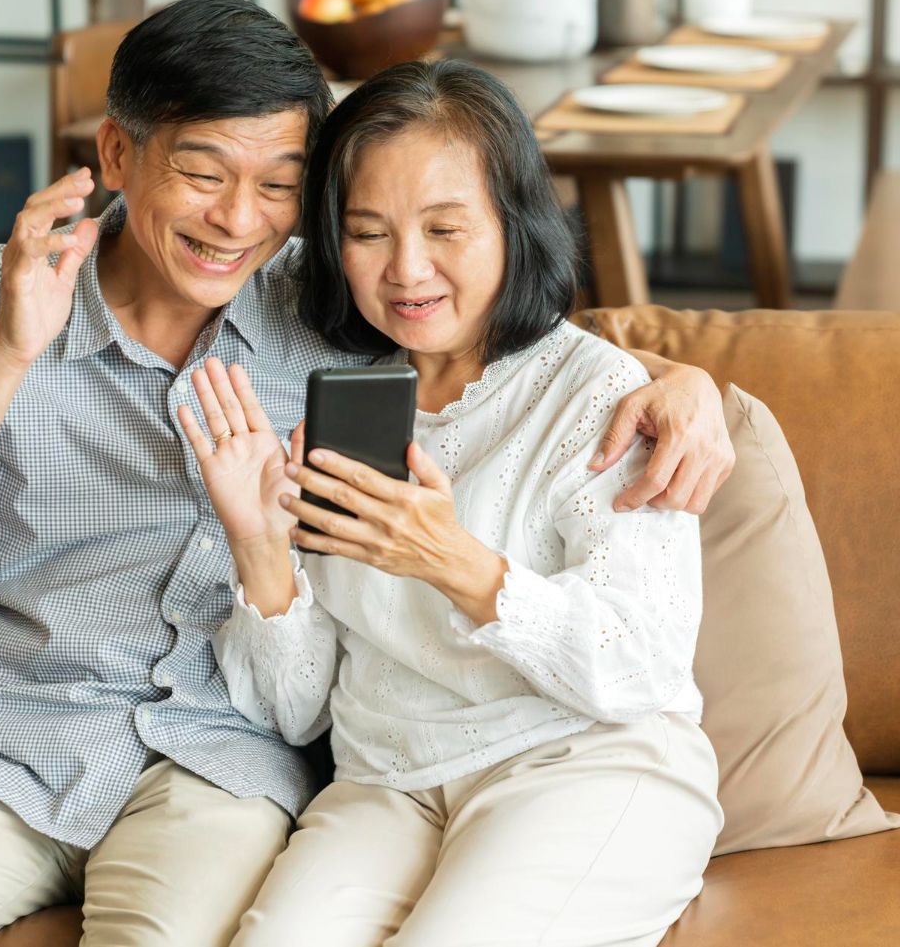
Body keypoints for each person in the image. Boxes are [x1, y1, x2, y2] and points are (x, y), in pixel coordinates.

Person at [0, 0, 732, 947]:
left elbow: (495, 346)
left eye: (280, 185)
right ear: (118, 156)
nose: (238, 221)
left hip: (221, 762)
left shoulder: (326, 306)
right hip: (5, 747)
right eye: (203, 173)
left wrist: (684, 381)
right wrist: (9, 353)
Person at [185, 58, 723, 947]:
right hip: (386, 783)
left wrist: (450, 559)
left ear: (515, 226)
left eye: (446, 228)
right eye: (367, 231)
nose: (406, 270)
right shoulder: (329, 395)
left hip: (584, 764)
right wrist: (260, 548)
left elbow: (642, 668)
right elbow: (296, 711)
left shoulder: (603, 398)